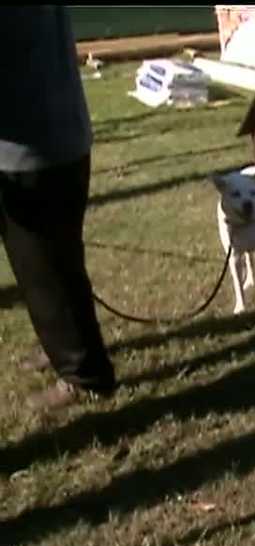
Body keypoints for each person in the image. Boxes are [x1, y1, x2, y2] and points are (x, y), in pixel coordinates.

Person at [1, 7, 116, 410]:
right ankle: (63, 346)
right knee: (54, 266)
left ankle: (83, 375)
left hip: (33, 149)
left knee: (47, 271)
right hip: (57, 136)